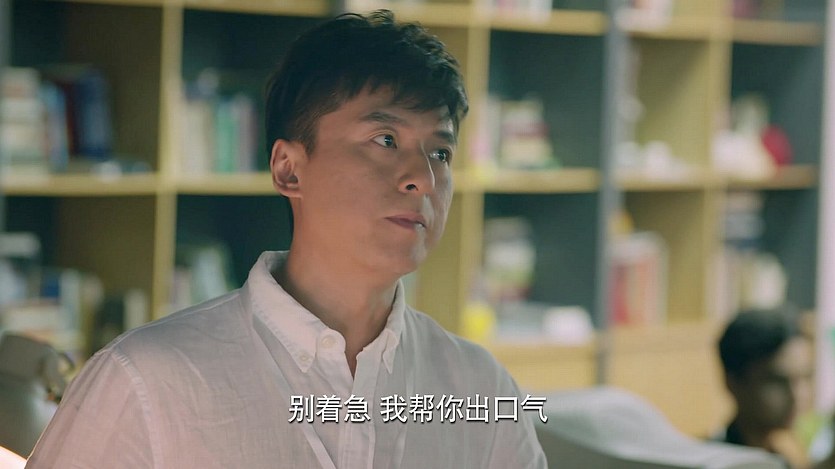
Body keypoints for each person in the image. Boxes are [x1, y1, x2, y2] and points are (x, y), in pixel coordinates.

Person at [25, 10, 547, 468]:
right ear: (289, 169)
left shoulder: (480, 390)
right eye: (385, 139)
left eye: (440, 153)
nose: (422, 179)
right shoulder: (146, 380)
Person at [716, 308, 815, 468]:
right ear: (733, 382)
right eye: (777, 382)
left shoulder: (795, 452)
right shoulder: (713, 460)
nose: (797, 396)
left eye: (805, 377)